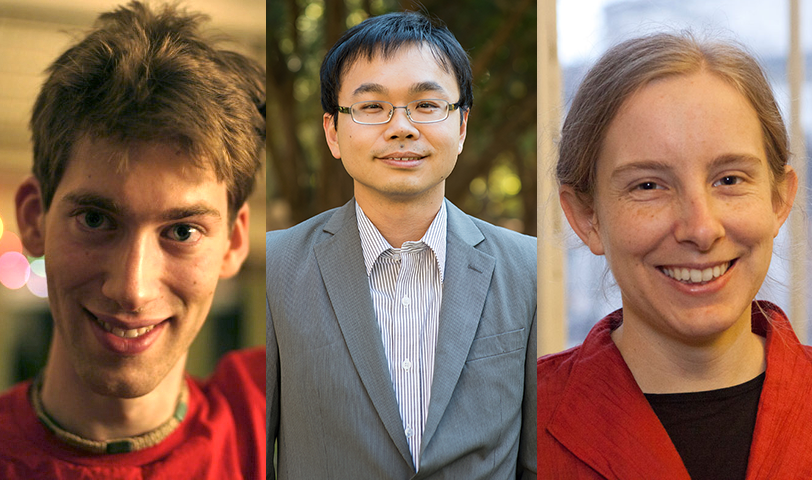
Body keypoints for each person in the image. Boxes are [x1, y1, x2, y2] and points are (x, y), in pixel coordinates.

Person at [0, 2, 266, 478]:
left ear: (233, 242)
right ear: (34, 218)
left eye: (182, 231)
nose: (131, 289)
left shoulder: (278, 426)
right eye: (96, 220)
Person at [266, 11, 537, 479]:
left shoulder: (528, 268)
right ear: (333, 131)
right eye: (372, 107)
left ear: (462, 125)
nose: (402, 128)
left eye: (427, 105)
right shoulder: (278, 266)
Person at [537, 32, 811, 479]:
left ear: (780, 200)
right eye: (648, 186)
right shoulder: (514, 420)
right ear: (587, 218)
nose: (701, 229)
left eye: (729, 179)